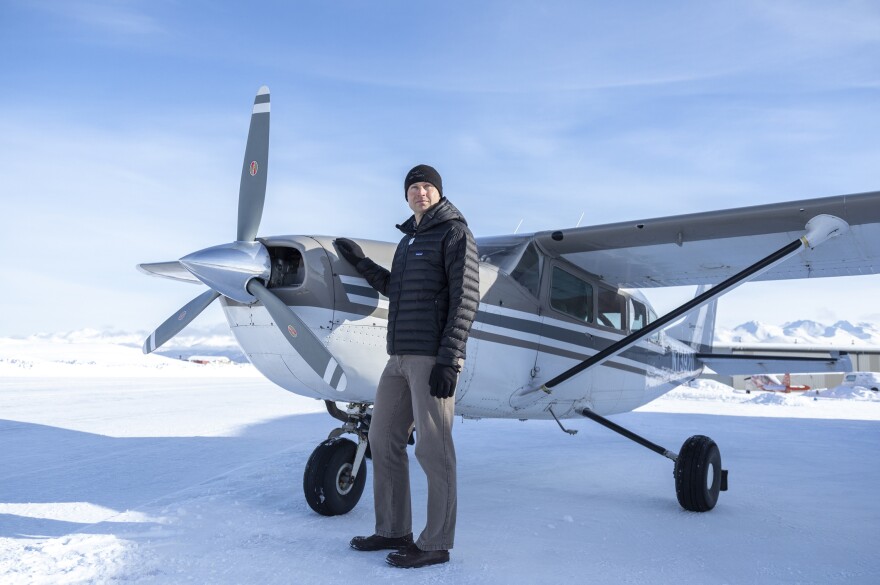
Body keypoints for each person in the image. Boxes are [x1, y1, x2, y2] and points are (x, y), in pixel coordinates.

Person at [335, 164, 479, 569]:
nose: (421, 192)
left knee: (434, 450)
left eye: (428, 186)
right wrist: (362, 264)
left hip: (431, 356)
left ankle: (436, 542)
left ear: (439, 192)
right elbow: (396, 288)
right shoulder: (410, 239)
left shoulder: (454, 233)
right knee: (382, 440)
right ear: (406, 195)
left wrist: (449, 358)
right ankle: (394, 529)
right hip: (397, 355)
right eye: (414, 187)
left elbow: (466, 298)